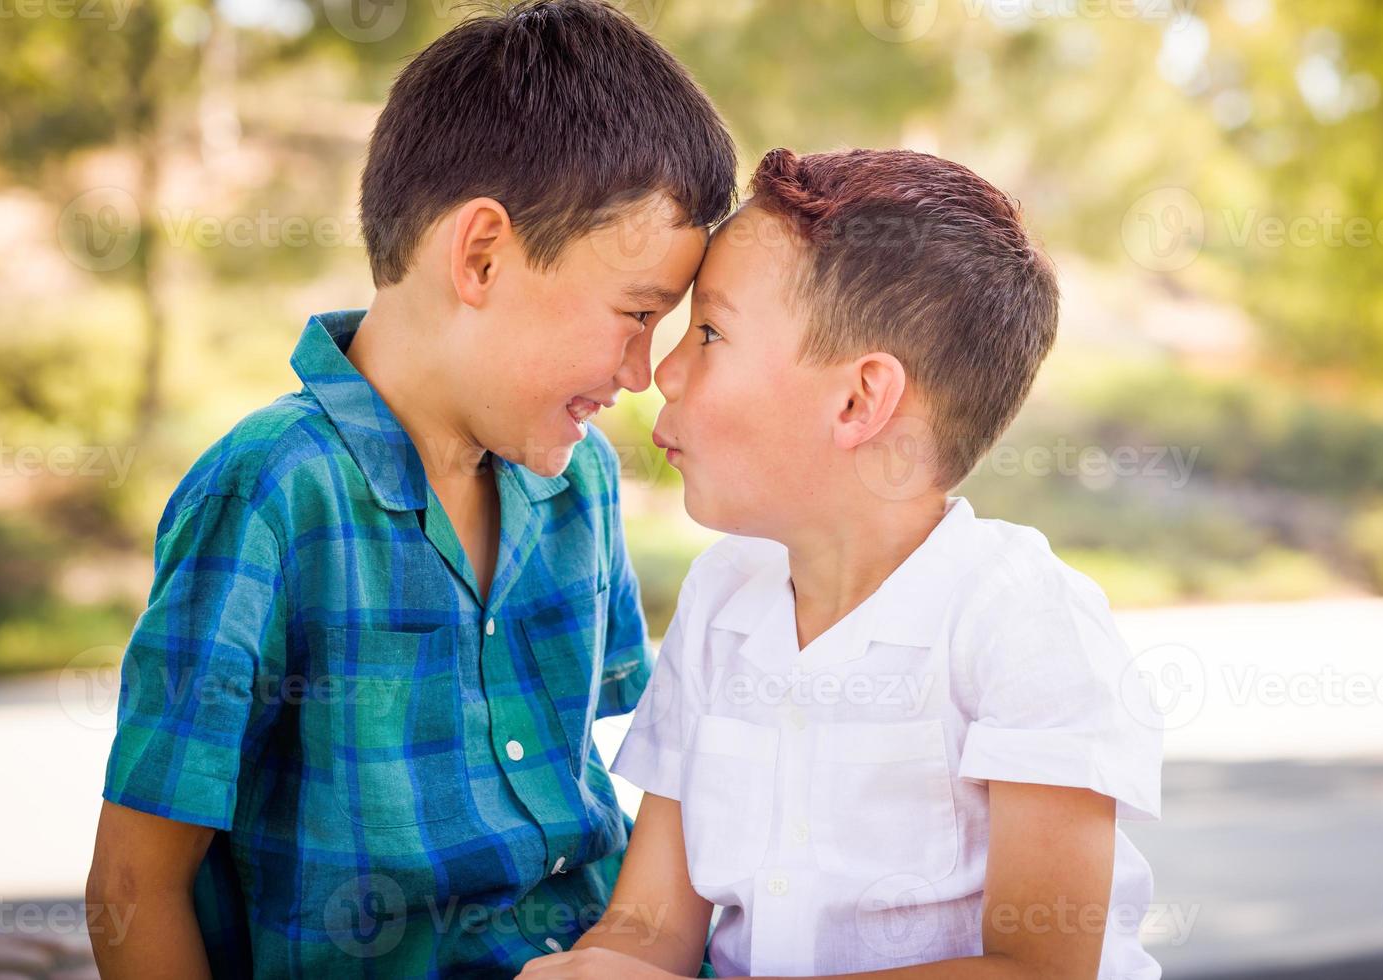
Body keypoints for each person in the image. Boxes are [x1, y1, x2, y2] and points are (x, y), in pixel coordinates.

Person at [84, 2, 735, 975]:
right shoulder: (271, 493)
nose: (642, 372)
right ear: (480, 255)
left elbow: (610, 804)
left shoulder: (582, 480)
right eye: (634, 314)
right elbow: (135, 883)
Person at [521, 148, 1164, 979]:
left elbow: (1036, 969)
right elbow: (650, 929)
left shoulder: (1022, 623)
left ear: (860, 400)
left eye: (710, 331)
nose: (664, 371)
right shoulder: (722, 599)